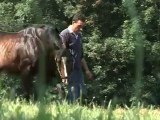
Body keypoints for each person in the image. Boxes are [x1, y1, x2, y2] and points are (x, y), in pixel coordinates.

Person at [59, 13, 93, 102]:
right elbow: (61, 55)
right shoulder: (64, 34)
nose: (80, 28)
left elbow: (81, 55)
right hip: (69, 69)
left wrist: (87, 70)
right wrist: (64, 74)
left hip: (78, 69)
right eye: (79, 26)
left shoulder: (79, 35)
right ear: (73, 22)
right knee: (73, 94)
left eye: (82, 27)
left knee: (82, 93)